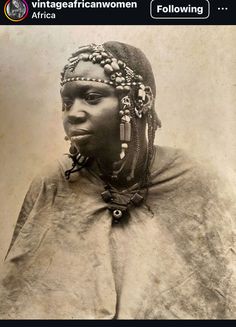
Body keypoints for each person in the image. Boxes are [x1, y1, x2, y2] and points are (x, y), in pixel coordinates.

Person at [0, 41, 236, 319]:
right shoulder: (54, 182)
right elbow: (18, 298)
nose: (73, 114)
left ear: (140, 100)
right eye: (66, 103)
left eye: (92, 97)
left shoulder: (195, 181)